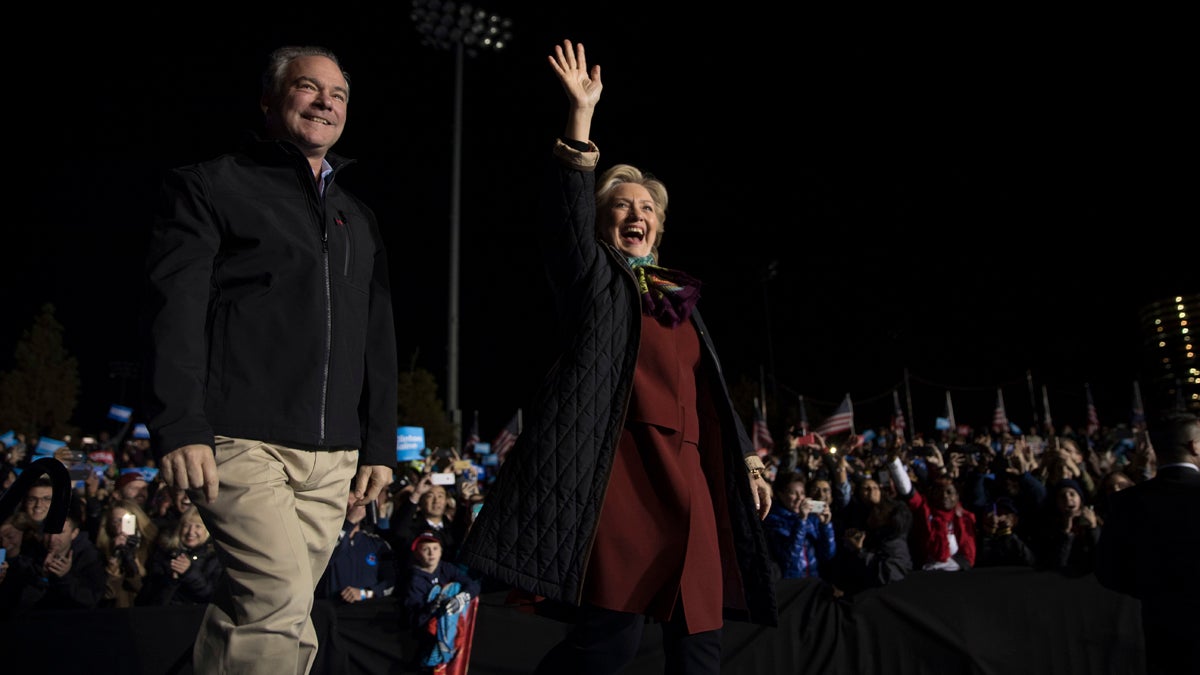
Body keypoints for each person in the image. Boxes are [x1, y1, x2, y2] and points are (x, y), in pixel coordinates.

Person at [457, 40, 778, 675]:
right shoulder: (593, 278)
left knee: (700, 642)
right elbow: (566, 219)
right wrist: (580, 121)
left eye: (648, 208)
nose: (637, 214)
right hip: (622, 472)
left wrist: (748, 459)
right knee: (610, 642)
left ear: (660, 226)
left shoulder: (679, 299)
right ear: (603, 223)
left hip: (692, 480)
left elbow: (708, 389)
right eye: (621, 205)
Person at [142, 44, 398, 675]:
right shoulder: (210, 184)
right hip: (238, 442)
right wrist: (179, 425)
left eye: (338, 96)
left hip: (333, 457)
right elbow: (173, 313)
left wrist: (380, 446)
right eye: (308, 88)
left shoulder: (357, 218)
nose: (325, 103)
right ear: (269, 100)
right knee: (277, 610)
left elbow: (379, 337)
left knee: (254, 612)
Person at [1096, 412, 1200, 675]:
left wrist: (1156, 591)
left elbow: (1108, 572)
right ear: (1194, 446)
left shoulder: (1125, 502)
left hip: (1160, 629)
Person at [402, 530, 481, 673]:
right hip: (427, 642)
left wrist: (461, 598)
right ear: (416, 553)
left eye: (435, 548)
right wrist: (432, 606)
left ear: (441, 551)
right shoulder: (414, 580)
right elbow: (414, 619)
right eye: (425, 549)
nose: (431, 553)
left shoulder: (446, 568)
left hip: (454, 634)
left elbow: (473, 585)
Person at [315, 483, 397, 604]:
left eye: (354, 505)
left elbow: (390, 583)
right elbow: (325, 558)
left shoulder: (377, 544)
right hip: (329, 611)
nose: (351, 509)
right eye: (346, 505)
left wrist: (364, 594)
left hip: (365, 615)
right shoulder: (323, 541)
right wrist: (349, 522)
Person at [138, 505, 223, 606]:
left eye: (198, 526)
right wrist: (172, 580)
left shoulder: (215, 558)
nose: (191, 532)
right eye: (187, 526)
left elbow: (212, 595)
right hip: (163, 616)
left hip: (196, 616)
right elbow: (149, 595)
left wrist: (189, 572)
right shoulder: (164, 553)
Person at [763, 471, 836, 580]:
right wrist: (801, 521)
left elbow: (828, 555)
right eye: (793, 493)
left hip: (814, 580)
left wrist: (825, 526)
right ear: (780, 494)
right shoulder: (773, 521)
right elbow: (789, 558)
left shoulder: (811, 518)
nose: (799, 498)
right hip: (791, 584)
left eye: (802, 493)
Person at [94, 498, 159, 608]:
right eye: (116, 521)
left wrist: (133, 563)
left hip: (144, 612)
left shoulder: (151, 546)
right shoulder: (102, 550)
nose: (121, 526)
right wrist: (114, 563)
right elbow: (107, 594)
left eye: (125, 521)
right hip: (117, 613)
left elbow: (147, 590)